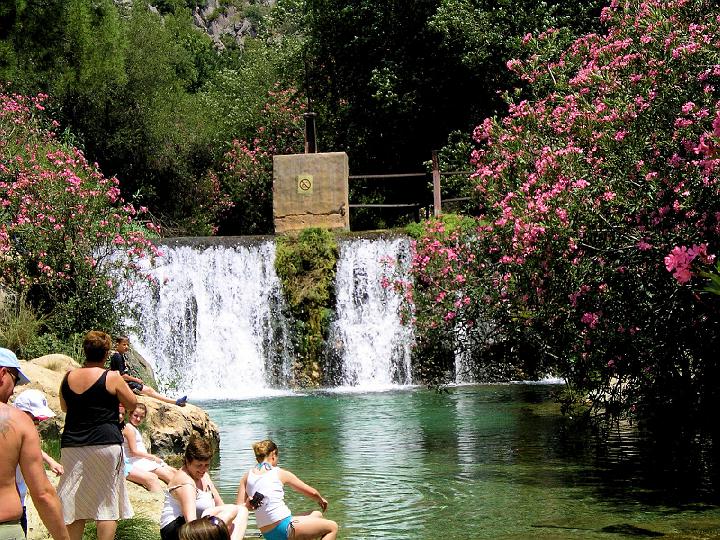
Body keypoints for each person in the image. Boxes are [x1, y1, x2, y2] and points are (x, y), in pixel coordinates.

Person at [56, 331, 138, 540]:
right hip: (106, 443)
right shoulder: (112, 377)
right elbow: (132, 404)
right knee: (107, 503)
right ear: (106, 354)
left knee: (72, 501)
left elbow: (65, 407)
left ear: (85, 350)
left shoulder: (68, 377)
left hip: (72, 444)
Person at [0, 347, 70, 540]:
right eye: (14, 381)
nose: (13, 390)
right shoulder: (18, 421)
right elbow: (43, 495)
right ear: (2, 374)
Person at [237, 440, 338, 540]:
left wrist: (247, 506)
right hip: (284, 527)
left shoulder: (246, 477)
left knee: (317, 514)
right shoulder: (279, 473)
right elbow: (312, 492)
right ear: (273, 455)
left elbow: (238, 509)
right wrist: (321, 499)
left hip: (267, 532)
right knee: (332, 527)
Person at [160, 437, 248, 540]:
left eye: (206, 465)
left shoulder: (204, 476)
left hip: (198, 524)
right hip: (178, 532)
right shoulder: (186, 483)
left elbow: (221, 505)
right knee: (232, 511)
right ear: (188, 462)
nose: (203, 469)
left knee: (242, 511)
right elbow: (191, 524)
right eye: (199, 465)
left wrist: (245, 505)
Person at [13, 389, 65, 536]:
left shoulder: (23, 432)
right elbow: (42, 494)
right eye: (35, 419)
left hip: (20, 502)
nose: (37, 423)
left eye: (39, 420)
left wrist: (50, 461)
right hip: (12, 507)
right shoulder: (10, 431)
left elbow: (33, 449)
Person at [109, 336, 187, 407]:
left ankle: (175, 401)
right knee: (149, 391)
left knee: (150, 390)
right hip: (124, 384)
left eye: (127, 344)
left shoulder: (119, 355)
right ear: (117, 344)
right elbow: (122, 376)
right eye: (124, 344)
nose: (126, 347)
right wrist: (136, 379)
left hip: (124, 383)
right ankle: (176, 402)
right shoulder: (118, 357)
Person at [121, 402, 176, 492]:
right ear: (130, 414)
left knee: (173, 471)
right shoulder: (129, 428)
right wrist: (152, 457)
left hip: (141, 460)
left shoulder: (134, 428)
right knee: (167, 474)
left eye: (141, 417)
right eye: (135, 415)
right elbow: (134, 452)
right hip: (135, 461)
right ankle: (179, 494)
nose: (138, 419)